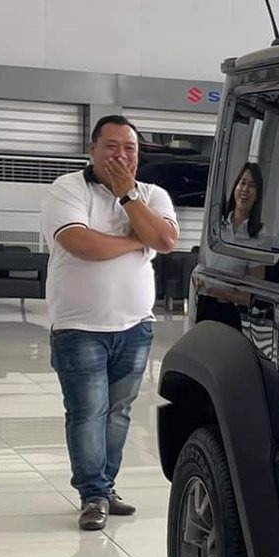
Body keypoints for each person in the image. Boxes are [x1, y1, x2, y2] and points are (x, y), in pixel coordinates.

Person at [43, 115, 179, 531]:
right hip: (78, 328)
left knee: (118, 412)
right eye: (111, 147)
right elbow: (80, 243)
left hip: (135, 327)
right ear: (92, 150)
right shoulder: (69, 188)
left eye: (130, 148)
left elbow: (166, 241)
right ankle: (93, 495)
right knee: (88, 411)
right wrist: (137, 239)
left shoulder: (152, 194)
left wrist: (127, 196)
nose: (121, 155)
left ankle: (105, 487)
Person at [226, 161, 263, 237]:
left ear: (257, 195)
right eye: (242, 183)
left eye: (251, 185)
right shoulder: (219, 223)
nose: (245, 189)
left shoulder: (260, 234)